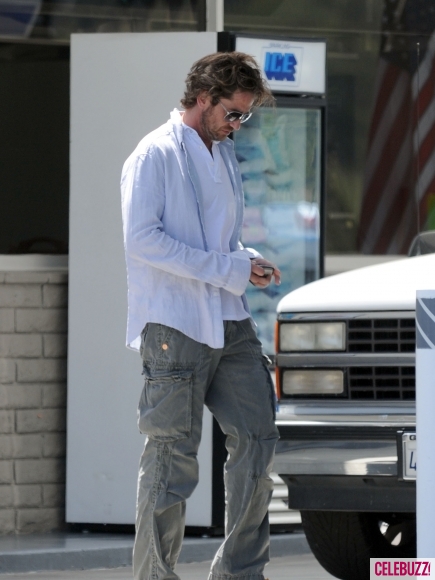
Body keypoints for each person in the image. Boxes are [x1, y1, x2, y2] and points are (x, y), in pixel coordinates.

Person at [121, 51, 281, 580]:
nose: (238, 125)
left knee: (258, 438)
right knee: (171, 459)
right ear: (203, 98)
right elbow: (143, 240)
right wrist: (226, 268)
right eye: (233, 113)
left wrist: (246, 260)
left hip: (229, 319)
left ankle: (238, 573)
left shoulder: (223, 153)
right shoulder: (155, 154)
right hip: (175, 325)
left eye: (245, 116)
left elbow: (219, 240)